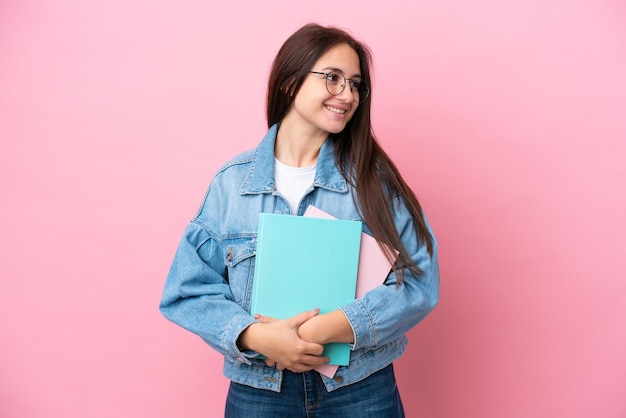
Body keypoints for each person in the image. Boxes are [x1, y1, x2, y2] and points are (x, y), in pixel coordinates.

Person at [159, 23, 439, 417]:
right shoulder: (231, 184)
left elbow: (419, 280)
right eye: (333, 78)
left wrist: (323, 331)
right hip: (260, 389)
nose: (349, 95)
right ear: (290, 83)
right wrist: (258, 336)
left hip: (360, 385)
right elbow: (187, 290)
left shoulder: (373, 181)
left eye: (356, 84)